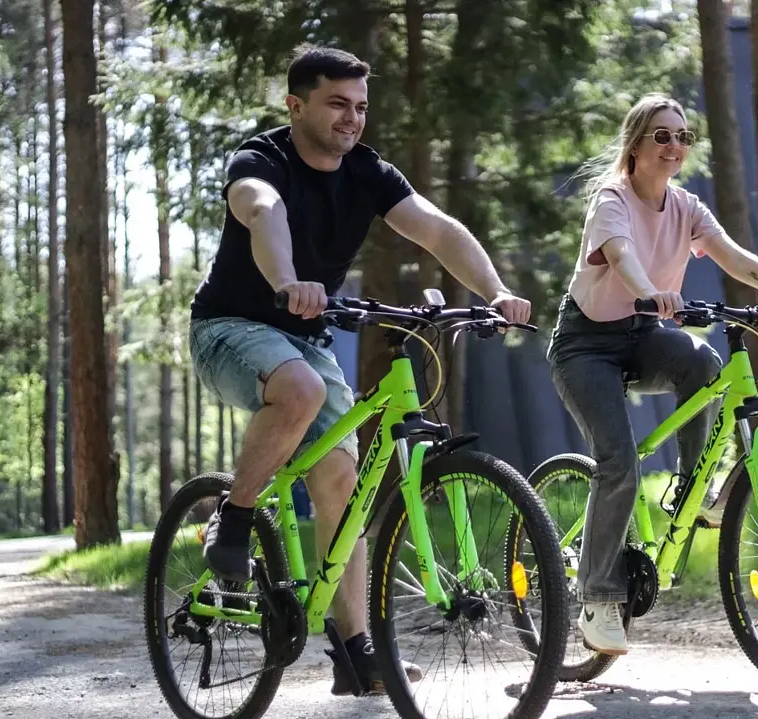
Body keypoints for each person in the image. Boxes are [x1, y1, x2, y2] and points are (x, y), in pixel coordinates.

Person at [188, 44, 531, 695]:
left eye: (361, 106)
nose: (352, 118)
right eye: (337, 104)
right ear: (296, 106)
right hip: (228, 329)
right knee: (300, 389)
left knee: (341, 482)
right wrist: (287, 280)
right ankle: (234, 516)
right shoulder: (260, 161)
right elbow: (264, 213)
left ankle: (355, 654)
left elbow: (436, 229)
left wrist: (495, 290)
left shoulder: (369, 172)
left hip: (304, 336)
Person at [547, 93, 758, 656]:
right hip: (586, 345)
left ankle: (691, 489)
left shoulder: (686, 207)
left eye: (683, 137)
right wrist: (652, 292)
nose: (675, 146)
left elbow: (736, 258)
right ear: (635, 145)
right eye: (662, 136)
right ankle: (598, 597)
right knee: (619, 462)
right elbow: (622, 256)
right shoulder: (612, 199)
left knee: (703, 363)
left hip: (642, 334)